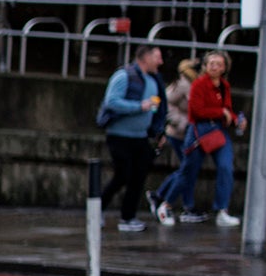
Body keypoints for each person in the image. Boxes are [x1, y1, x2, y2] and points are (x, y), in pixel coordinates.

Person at [161, 49, 245, 228]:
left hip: (218, 131)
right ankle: (166, 204)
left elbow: (228, 109)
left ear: (224, 68)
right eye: (211, 64)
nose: (214, 67)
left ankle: (222, 209)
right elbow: (196, 111)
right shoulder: (199, 84)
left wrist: (236, 120)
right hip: (199, 131)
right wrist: (220, 112)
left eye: (219, 64)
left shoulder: (224, 86)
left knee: (225, 167)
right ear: (205, 66)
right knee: (188, 171)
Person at [95, 42, 166, 233]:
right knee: (122, 175)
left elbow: (159, 108)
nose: (160, 61)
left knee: (138, 177)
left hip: (140, 137)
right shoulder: (124, 75)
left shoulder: (153, 80)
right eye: (157, 57)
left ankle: (128, 217)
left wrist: (158, 130)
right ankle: (97, 209)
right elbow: (112, 102)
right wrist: (138, 106)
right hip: (120, 135)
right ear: (146, 57)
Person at [150, 58, 199, 224]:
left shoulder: (193, 83)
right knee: (187, 169)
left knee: (187, 169)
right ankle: (171, 201)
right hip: (179, 133)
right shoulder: (184, 84)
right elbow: (166, 103)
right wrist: (181, 123)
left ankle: (162, 196)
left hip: (186, 133)